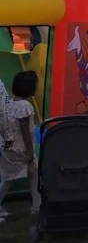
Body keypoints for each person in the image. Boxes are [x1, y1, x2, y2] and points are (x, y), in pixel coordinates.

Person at [0, 71, 40, 219]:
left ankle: (37, 205)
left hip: (9, 147)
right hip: (21, 149)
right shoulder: (25, 107)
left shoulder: (10, 103)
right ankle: (37, 205)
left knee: (31, 174)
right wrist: (30, 151)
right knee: (11, 179)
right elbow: (25, 131)